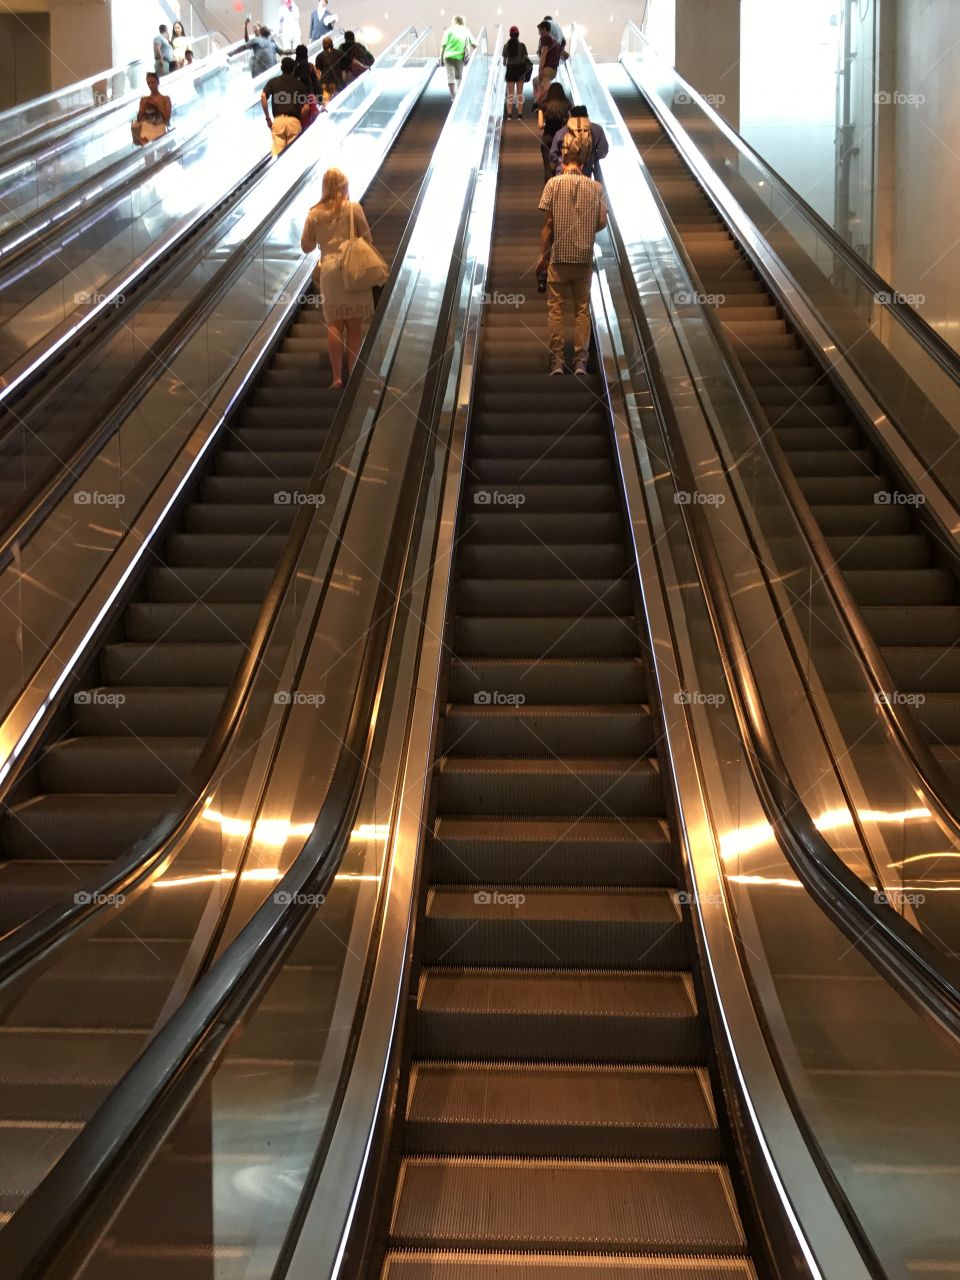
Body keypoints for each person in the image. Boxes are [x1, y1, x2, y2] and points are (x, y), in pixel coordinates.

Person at [537, 130, 607, 375]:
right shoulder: (595, 187)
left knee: (556, 310)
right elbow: (601, 223)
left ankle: (556, 362)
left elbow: (548, 225)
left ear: (563, 157)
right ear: (585, 158)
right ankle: (580, 362)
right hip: (583, 258)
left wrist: (542, 257)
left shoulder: (553, 184)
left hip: (559, 258)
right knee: (581, 310)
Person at [301, 167, 377, 388]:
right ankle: (353, 372)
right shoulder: (353, 208)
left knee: (334, 324)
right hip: (353, 270)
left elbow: (306, 246)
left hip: (330, 272)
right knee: (354, 326)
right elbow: (368, 238)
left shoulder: (314, 213)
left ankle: (336, 378)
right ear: (344, 185)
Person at [262, 56, 309, 155]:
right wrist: (298, 118)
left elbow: (263, 96)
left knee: (277, 157)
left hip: (279, 121)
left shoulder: (273, 82)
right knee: (294, 155)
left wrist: (268, 118)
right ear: (293, 69)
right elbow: (306, 107)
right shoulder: (299, 84)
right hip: (294, 121)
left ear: (281, 68)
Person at [549, 105, 609, 178]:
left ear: (570, 116)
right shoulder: (597, 130)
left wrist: (562, 161)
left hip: (563, 173)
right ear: (587, 116)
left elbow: (552, 155)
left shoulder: (561, 132)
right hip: (585, 173)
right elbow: (603, 151)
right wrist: (591, 157)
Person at [538, 81, 570, 181]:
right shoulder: (566, 105)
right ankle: (559, 189)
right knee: (560, 166)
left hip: (547, 138)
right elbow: (570, 124)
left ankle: (548, 191)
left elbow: (540, 125)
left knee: (547, 167)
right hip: (562, 139)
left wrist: (546, 124)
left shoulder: (543, 105)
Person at [439, 15, 475, 99]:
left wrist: (441, 59)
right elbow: (474, 43)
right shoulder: (466, 30)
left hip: (448, 56)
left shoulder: (449, 30)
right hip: (459, 56)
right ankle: (459, 96)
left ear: (454, 21)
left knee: (450, 76)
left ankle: (453, 97)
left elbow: (443, 46)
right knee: (459, 77)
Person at [135, 72, 172, 144]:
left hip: (160, 130)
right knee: (148, 154)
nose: (151, 85)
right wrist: (143, 108)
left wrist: (158, 106)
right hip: (146, 131)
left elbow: (167, 118)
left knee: (162, 153)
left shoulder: (165, 99)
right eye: (148, 83)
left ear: (158, 82)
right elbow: (139, 119)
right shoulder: (144, 99)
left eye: (153, 82)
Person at [502, 25, 528, 121]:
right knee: (520, 93)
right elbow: (525, 59)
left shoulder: (506, 46)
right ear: (518, 34)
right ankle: (520, 115)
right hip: (520, 70)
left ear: (510, 34)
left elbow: (504, 62)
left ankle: (509, 114)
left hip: (510, 70)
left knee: (510, 94)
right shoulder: (522, 46)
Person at [293, 44, 322, 125]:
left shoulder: (292, 67)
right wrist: (319, 98)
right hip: (309, 96)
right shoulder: (310, 66)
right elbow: (316, 82)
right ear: (306, 53)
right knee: (310, 122)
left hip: (295, 98)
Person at [534, 21, 561, 102]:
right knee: (536, 82)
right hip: (553, 70)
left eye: (540, 30)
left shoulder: (545, 38)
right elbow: (563, 53)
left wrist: (540, 68)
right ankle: (538, 105)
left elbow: (544, 53)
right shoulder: (554, 40)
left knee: (544, 91)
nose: (539, 33)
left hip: (547, 69)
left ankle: (546, 108)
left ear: (544, 29)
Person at [316, 37, 343, 102]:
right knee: (337, 101)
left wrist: (319, 83)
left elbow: (318, 72)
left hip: (324, 82)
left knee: (326, 102)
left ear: (323, 45)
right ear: (332, 44)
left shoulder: (320, 56)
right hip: (336, 82)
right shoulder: (339, 53)